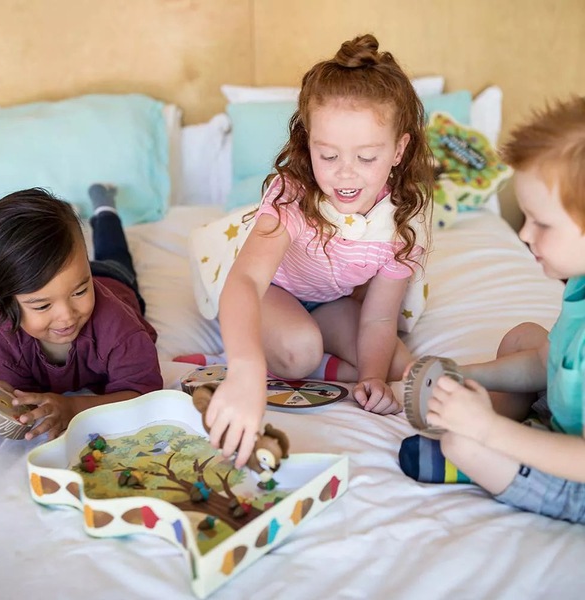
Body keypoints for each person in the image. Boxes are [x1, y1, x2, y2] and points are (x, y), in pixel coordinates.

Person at [198, 33, 433, 467]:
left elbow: (380, 317)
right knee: (299, 350)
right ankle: (308, 357)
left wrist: (371, 379)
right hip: (274, 291)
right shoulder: (293, 196)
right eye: (328, 155)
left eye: (366, 157)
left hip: (329, 301)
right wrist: (246, 369)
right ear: (309, 144)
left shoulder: (402, 222)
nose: (345, 174)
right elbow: (245, 280)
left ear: (399, 150)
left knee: (397, 365)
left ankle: (340, 367)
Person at [398, 96, 585, 524]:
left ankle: (471, 457)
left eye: (541, 223)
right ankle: (493, 427)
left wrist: (488, 431)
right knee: (525, 336)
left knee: (461, 444)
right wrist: (462, 373)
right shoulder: (579, 281)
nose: (524, 233)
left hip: (578, 473)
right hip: (569, 417)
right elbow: (544, 361)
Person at [0, 185, 163, 441]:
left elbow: (144, 397)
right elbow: (25, 400)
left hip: (114, 279)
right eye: (43, 306)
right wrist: (9, 394)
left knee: (115, 253)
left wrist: (74, 407)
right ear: (4, 303)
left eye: (80, 292)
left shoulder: (120, 328)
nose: (67, 316)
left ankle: (105, 208)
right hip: (76, 273)